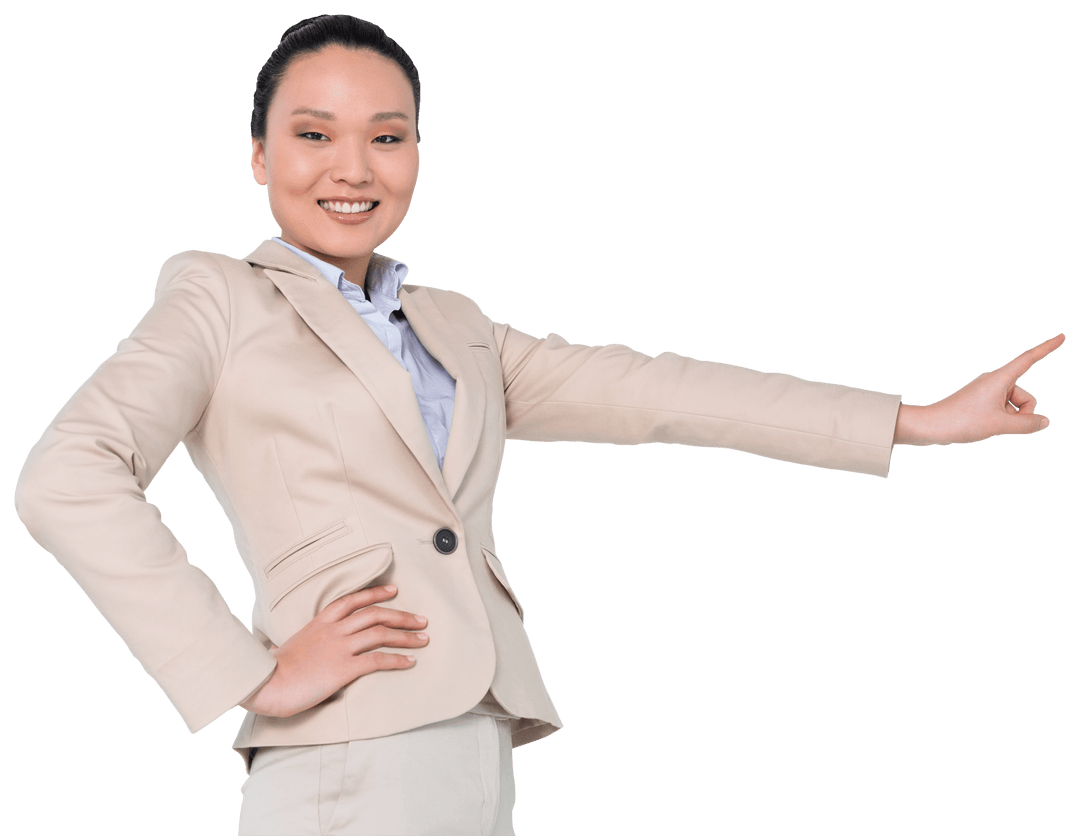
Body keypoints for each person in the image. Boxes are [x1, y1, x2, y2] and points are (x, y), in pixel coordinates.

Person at [11, 13, 1066, 836]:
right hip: (344, 760)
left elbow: (663, 393)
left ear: (419, 151)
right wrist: (248, 672)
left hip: (480, 751)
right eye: (313, 134)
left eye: (388, 136)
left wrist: (912, 422)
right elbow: (66, 472)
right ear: (256, 154)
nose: (353, 167)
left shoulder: (454, 325)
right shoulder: (218, 298)